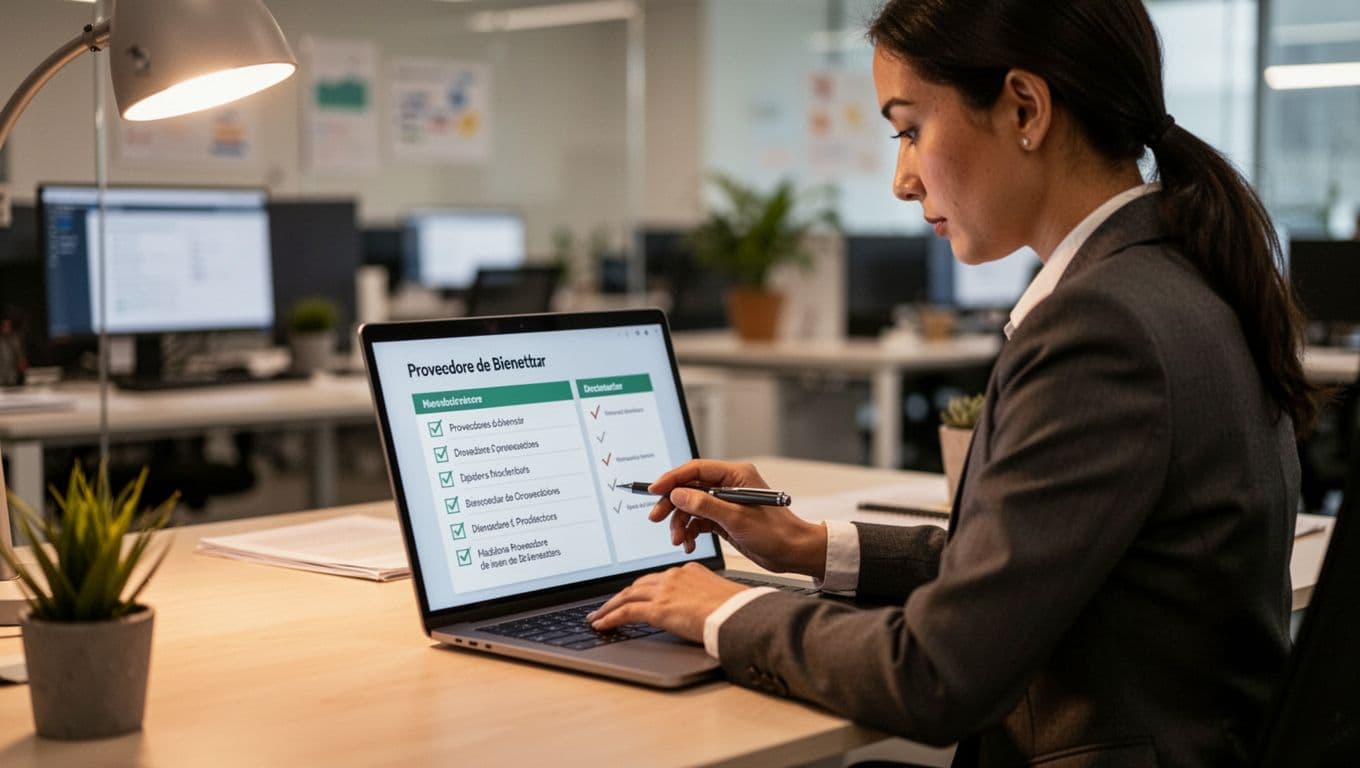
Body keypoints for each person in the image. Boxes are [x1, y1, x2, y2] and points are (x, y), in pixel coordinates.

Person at [588, 1, 1323, 765]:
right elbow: (1028, 569)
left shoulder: (1100, 327)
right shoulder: (1173, 278)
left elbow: (938, 674)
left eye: (909, 130)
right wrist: (811, 546)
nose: (902, 180)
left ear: (1024, 108)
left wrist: (728, 610)